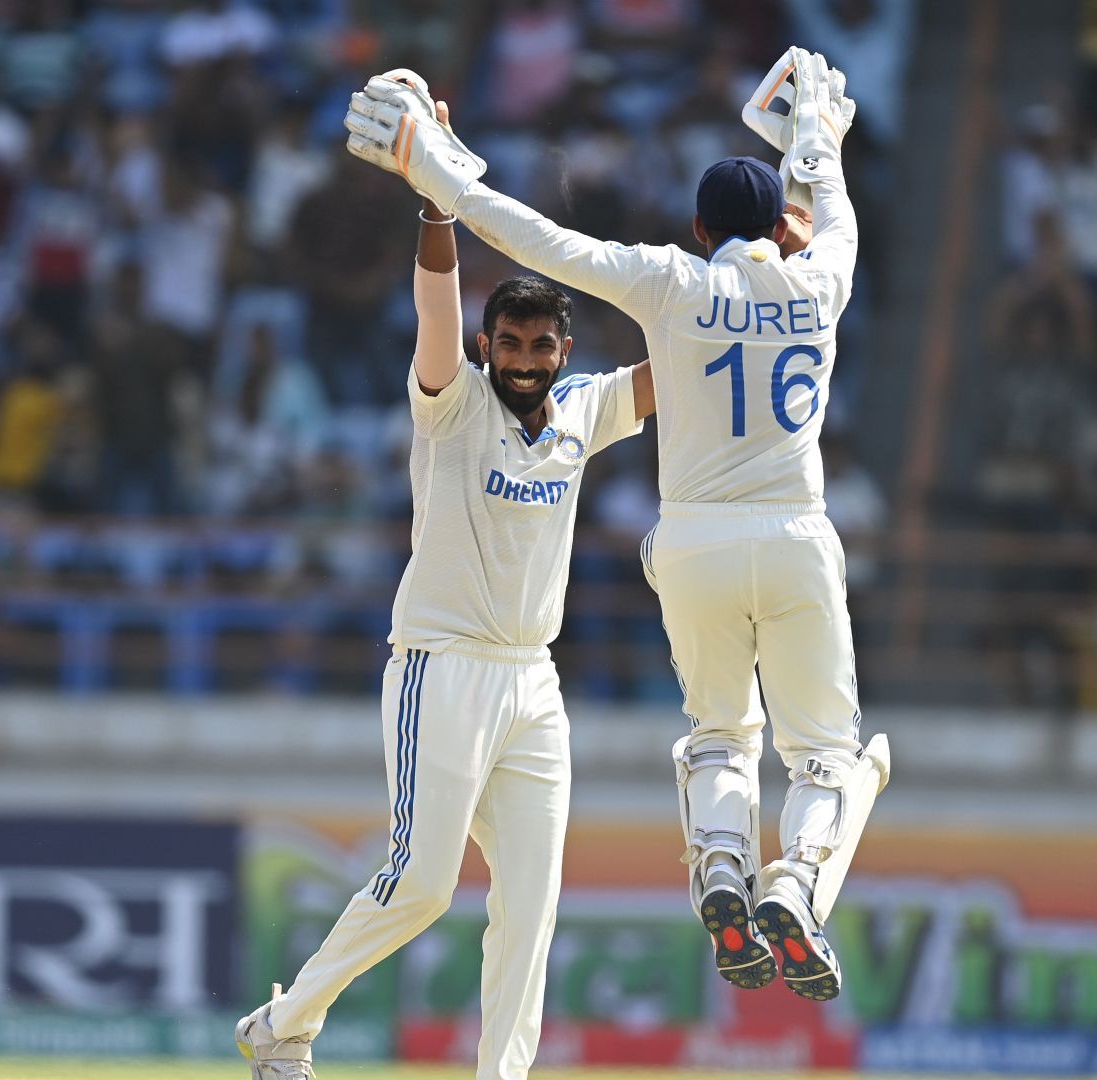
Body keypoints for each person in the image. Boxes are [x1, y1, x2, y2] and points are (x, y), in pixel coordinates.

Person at [344, 50, 889, 1003]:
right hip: (797, 531)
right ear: (782, 230)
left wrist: (431, 170)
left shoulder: (670, 281)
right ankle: (793, 888)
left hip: (692, 542)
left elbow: (539, 240)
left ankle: (722, 870)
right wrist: (817, 144)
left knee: (720, 735)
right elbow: (834, 211)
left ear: (699, 226)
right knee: (828, 756)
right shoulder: (822, 282)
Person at [236, 84, 655, 1080]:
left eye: (538, 344)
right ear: (489, 341)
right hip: (442, 666)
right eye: (506, 341)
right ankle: (282, 1027)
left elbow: (684, 367)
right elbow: (435, 304)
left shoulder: (586, 410)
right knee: (422, 884)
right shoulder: (453, 400)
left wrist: (768, 286)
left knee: (531, 900)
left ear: (565, 345)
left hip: (533, 681)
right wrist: (435, 192)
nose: (521, 358)